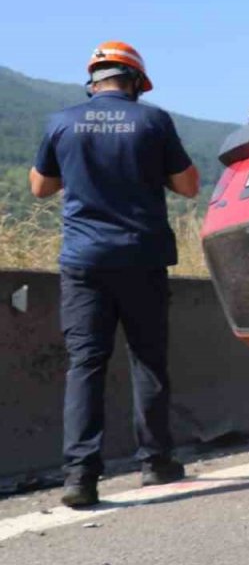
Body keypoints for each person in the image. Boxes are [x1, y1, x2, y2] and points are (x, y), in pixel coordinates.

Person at [30, 41, 201, 508]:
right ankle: (156, 462)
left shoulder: (61, 122)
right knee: (147, 360)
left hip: (84, 262)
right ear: (137, 82)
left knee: (85, 365)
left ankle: (80, 477)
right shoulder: (152, 121)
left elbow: (40, 188)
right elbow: (188, 186)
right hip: (142, 259)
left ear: (93, 81)